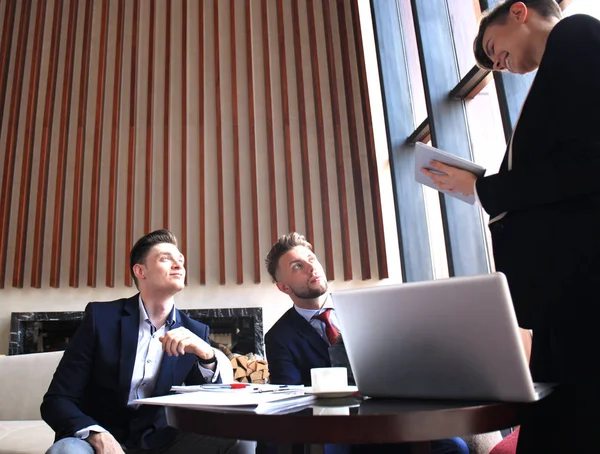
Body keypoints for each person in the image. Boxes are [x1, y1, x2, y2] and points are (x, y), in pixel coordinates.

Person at [421, 1, 600, 452]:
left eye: (493, 47)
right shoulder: (560, 63)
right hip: (569, 298)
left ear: (519, 12)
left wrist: (485, 189)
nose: (498, 64)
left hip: (583, 291)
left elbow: (586, 163)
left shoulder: (577, 36)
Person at [41, 229, 255, 454]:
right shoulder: (100, 319)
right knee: (66, 451)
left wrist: (207, 355)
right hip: (96, 439)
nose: (178, 265)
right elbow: (57, 400)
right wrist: (97, 435)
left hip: (163, 441)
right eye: (166, 258)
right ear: (140, 271)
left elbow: (206, 407)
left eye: (180, 260)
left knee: (241, 440)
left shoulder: (195, 331)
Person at [264, 232, 469, 454]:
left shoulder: (368, 310)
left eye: (312, 259)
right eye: (297, 266)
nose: (311, 268)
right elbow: (290, 401)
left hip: (389, 420)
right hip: (334, 431)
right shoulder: (279, 336)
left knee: (454, 448)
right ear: (284, 287)